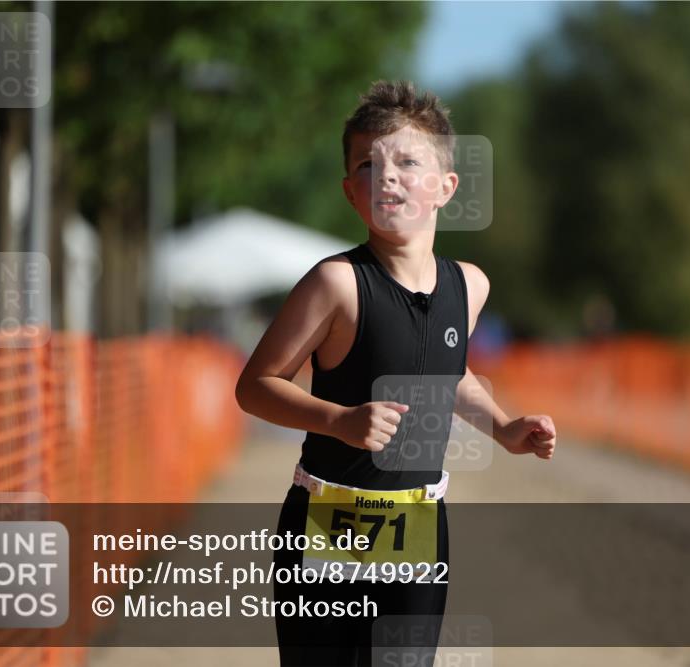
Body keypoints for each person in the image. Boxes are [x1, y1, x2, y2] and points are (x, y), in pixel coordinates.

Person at [235, 80, 556, 667]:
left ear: (446, 187)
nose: (387, 177)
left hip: (418, 529)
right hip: (325, 528)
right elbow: (255, 386)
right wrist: (338, 420)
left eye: (408, 162)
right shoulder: (336, 283)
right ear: (349, 192)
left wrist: (505, 428)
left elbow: (448, 375)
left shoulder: (470, 286)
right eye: (368, 164)